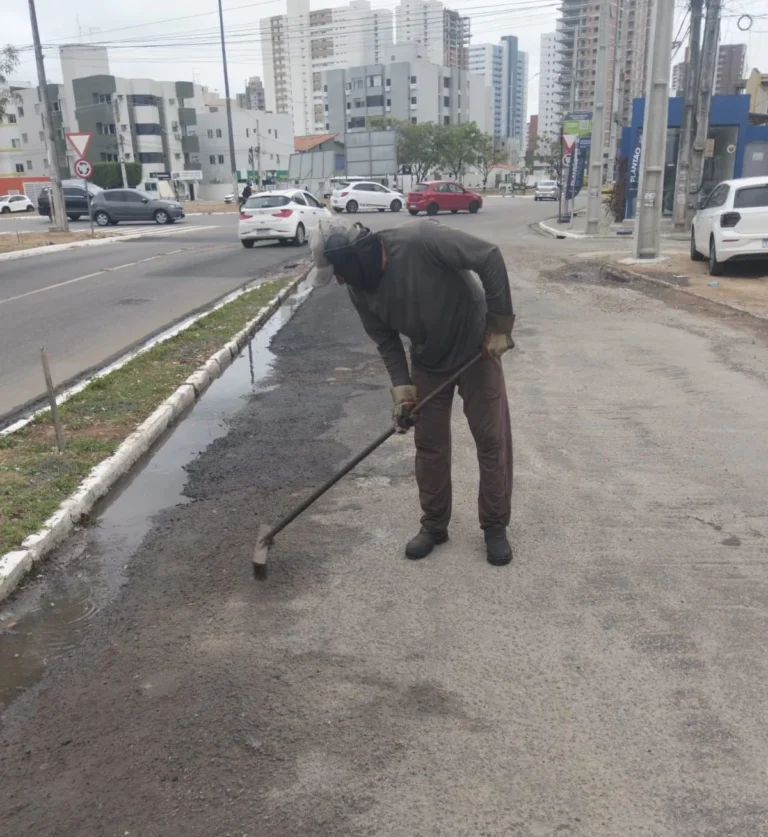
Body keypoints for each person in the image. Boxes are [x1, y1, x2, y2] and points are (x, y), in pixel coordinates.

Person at [308, 217, 516, 566]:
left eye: (339, 271)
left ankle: (495, 525)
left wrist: (499, 324)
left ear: (353, 257)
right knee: (430, 444)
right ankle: (434, 525)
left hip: (475, 349)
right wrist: (404, 394)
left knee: (491, 438)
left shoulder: (423, 240)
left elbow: (489, 257)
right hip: (428, 360)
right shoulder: (359, 290)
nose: (340, 281)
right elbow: (386, 342)